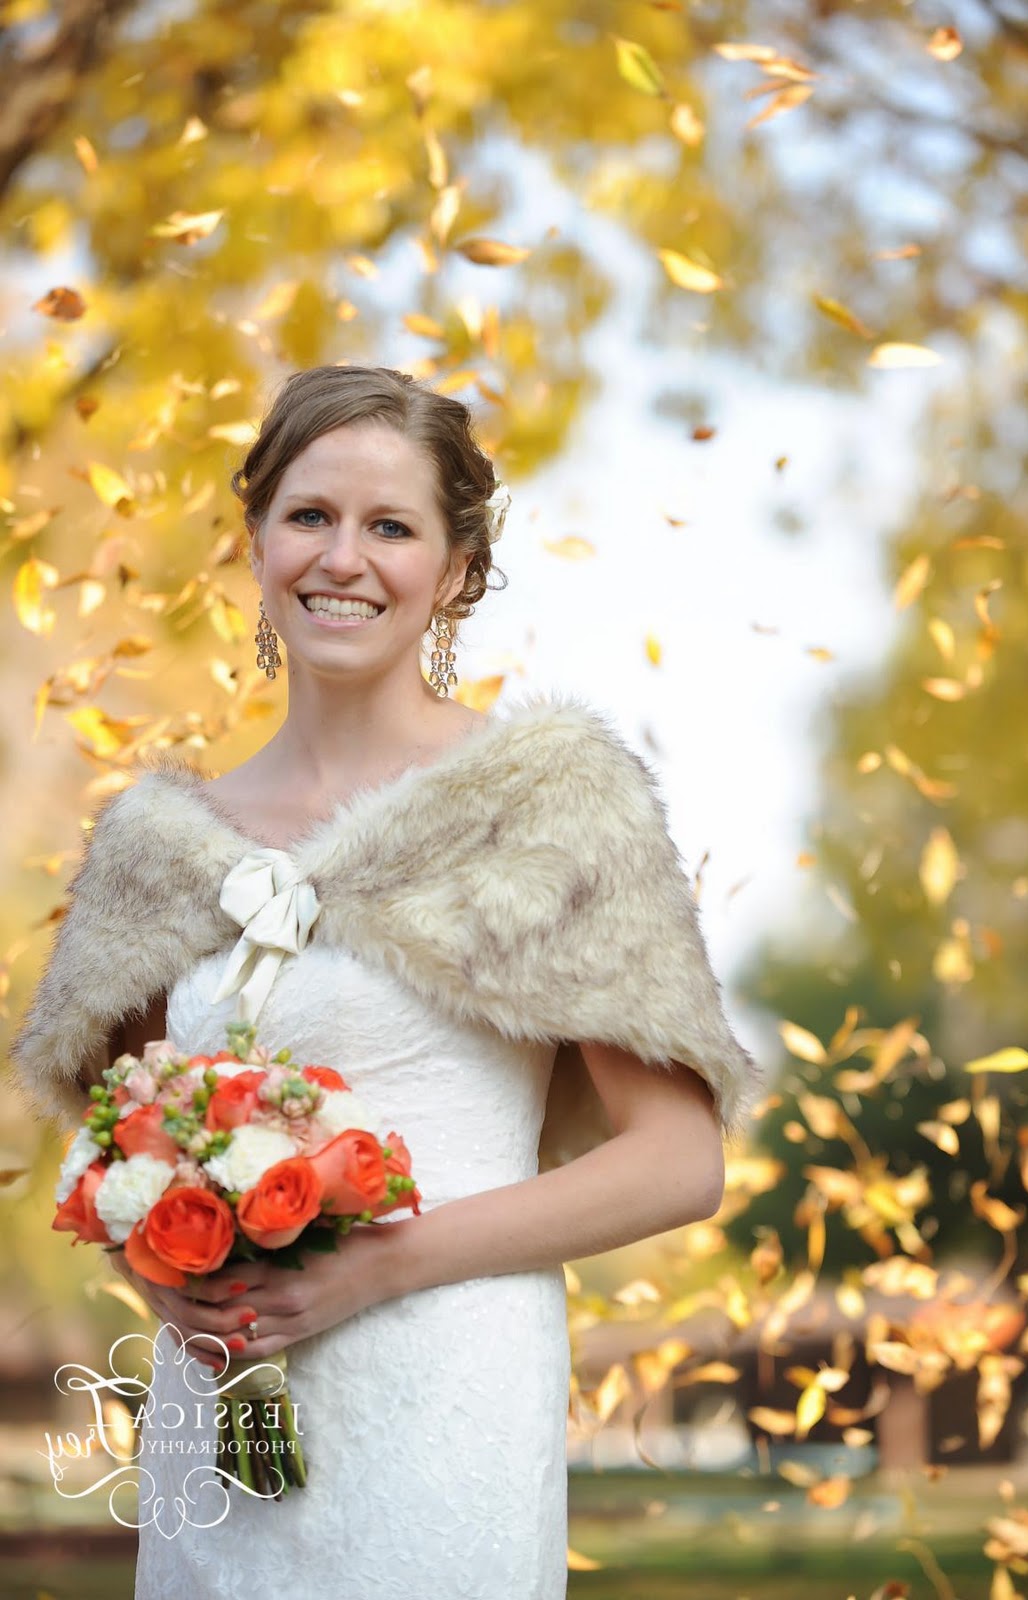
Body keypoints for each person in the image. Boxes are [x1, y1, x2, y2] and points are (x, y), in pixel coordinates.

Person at [9, 364, 763, 1599]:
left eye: (391, 526)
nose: (342, 557)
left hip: (443, 1396)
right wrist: (161, 1274)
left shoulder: (544, 803)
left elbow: (678, 1160)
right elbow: (117, 1157)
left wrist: (382, 1264)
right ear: (255, 540)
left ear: (457, 569)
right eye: (309, 515)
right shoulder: (159, 845)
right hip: (222, 1420)